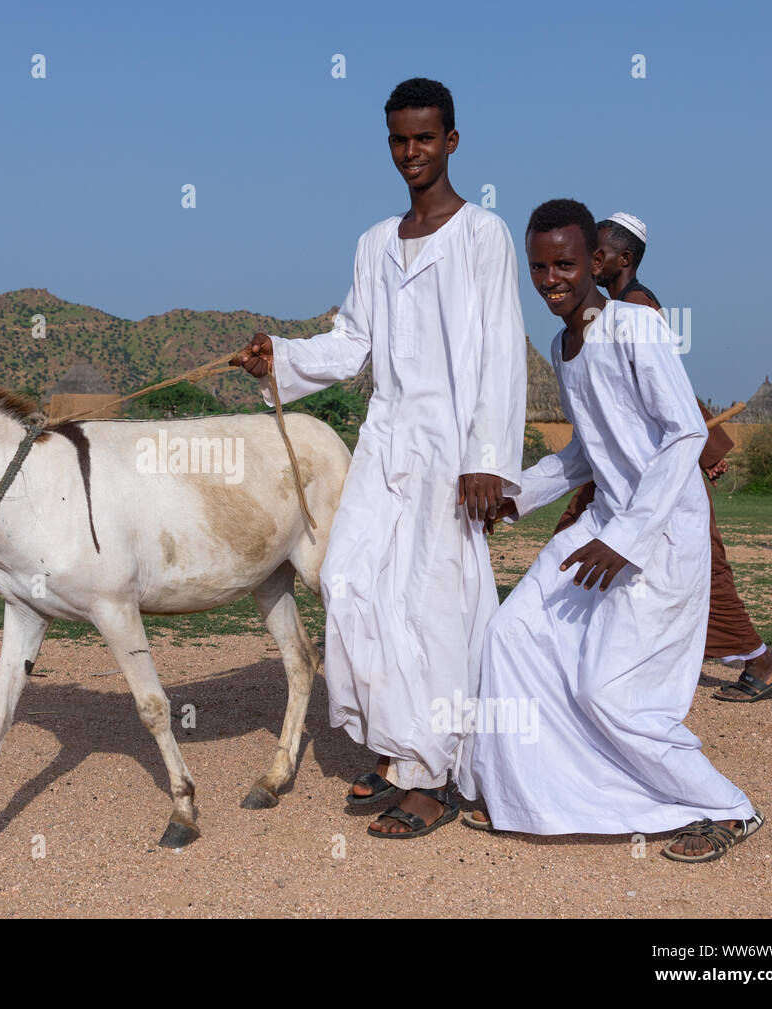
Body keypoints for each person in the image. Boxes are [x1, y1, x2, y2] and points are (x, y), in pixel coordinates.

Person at [233, 78, 525, 838]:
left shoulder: (482, 235)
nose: (411, 152)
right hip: (388, 437)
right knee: (348, 578)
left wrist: (488, 456)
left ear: (452, 141)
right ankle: (402, 745)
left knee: (434, 601)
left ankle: (434, 773)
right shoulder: (373, 244)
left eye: (424, 138)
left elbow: (499, 351)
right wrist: (280, 358)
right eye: (399, 139)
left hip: (454, 447)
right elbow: (353, 342)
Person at [466, 199, 762, 863]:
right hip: (603, 525)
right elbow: (584, 453)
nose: (550, 280)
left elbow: (686, 429)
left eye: (564, 264)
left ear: (595, 262)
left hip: (658, 536)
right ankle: (531, 793)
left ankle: (728, 806)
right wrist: (517, 497)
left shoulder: (635, 328)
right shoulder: (562, 345)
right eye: (539, 267)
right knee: (510, 635)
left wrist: (628, 535)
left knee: (610, 690)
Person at [553, 212, 772, 702]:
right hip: (620, 467)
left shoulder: (636, 307)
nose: (591, 260)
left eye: (600, 252)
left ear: (623, 259)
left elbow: (669, 393)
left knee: (702, 569)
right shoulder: (609, 311)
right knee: (580, 545)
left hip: (656, 470)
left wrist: (703, 451)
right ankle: (585, 650)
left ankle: (759, 663)